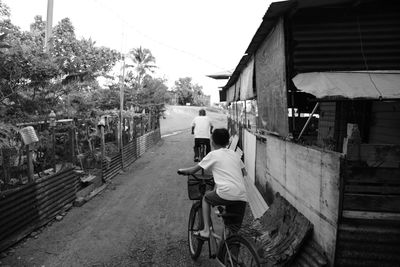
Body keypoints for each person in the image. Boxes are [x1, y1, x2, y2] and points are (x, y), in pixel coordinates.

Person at [178, 128, 247, 239]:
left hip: (226, 193)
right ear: (228, 142)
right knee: (234, 232)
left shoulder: (213, 154)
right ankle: (231, 254)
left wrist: (182, 171)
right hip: (242, 196)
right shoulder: (235, 155)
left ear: (213, 142)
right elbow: (244, 173)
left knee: (206, 198)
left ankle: (206, 230)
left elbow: (192, 170)